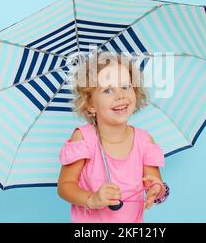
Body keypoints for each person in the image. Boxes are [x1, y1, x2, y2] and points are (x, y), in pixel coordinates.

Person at [57, 51, 169, 222]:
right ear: (90, 104)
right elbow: (65, 186)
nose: (120, 95)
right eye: (108, 90)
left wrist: (157, 189)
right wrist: (92, 199)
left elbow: (156, 185)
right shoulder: (83, 138)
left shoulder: (144, 141)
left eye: (125, 87)